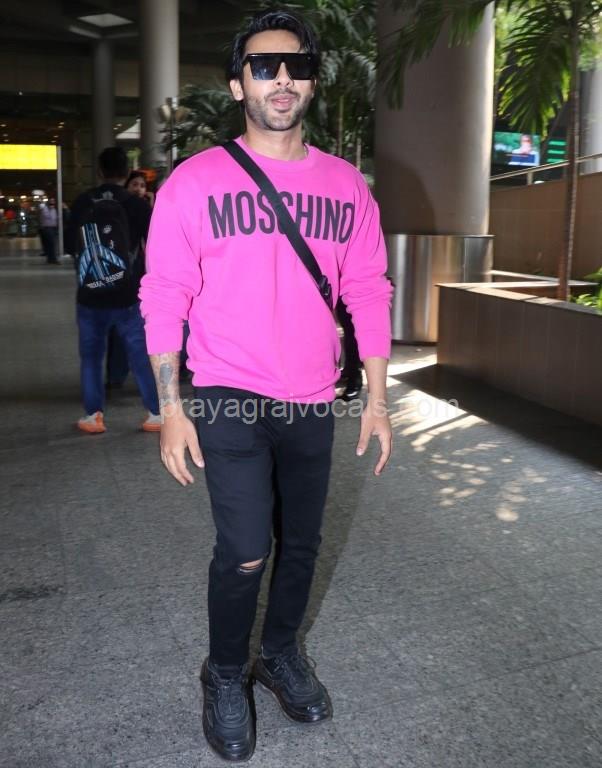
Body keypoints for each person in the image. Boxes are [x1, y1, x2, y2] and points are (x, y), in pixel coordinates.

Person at [139, 9, 392, 763]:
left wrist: (377, 400)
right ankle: (224, 672)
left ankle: (279, 654)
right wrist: (171, 407)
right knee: (247, 548)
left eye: (297, 66)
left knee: (302, 544)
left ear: (312, 82)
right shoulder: (194, 183)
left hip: (312, 396)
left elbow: (368, 291)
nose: (282, 79)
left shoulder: (347, 186)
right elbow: (164, 293)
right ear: (237, 84)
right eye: (263, 66)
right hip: (226, 393)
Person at [66, 146, 160, 434]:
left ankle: (93, 415)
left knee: (91, 357)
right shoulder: (137, 205)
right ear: (126, 172)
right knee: (139, 354)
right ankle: (155, 414)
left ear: (99, 171)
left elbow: (71, 246)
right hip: (128, 294)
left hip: (90, 295)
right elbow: (156, 245)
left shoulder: (82, 202)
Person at [39, 198, 59, 264]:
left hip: (53, 228)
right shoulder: (45, 209)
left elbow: (55, 218)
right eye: (51, 202)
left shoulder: (54, 210)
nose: (52, 204)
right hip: (47, 228)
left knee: (51, 244)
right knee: (51, 244)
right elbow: (48, 216)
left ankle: (51, 259)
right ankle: (52, 259)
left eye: (53, 202)